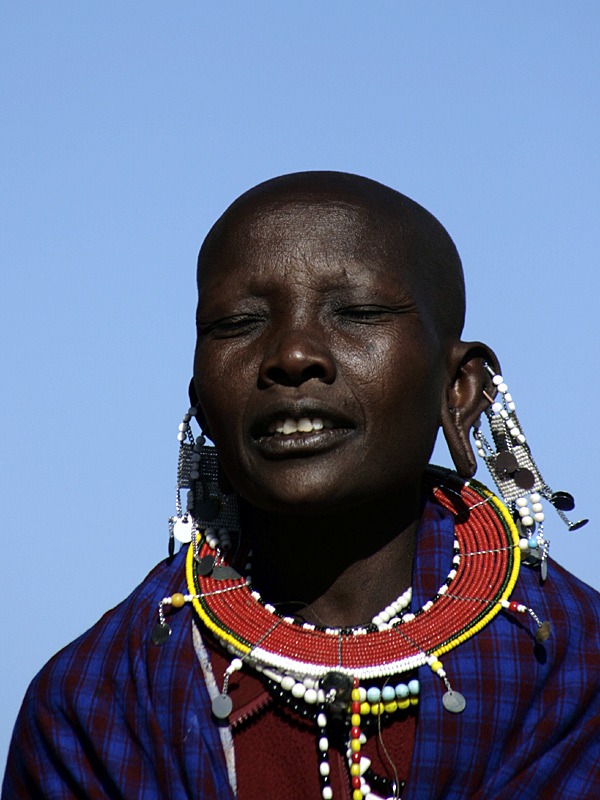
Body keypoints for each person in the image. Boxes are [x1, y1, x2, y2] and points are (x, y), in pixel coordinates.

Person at [3, 172, 600, 799]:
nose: (291, 355)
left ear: (460, 391)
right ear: (201, 402)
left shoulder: (573, 674)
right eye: (238, 323)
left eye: (358, 312)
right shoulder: (98, 705)